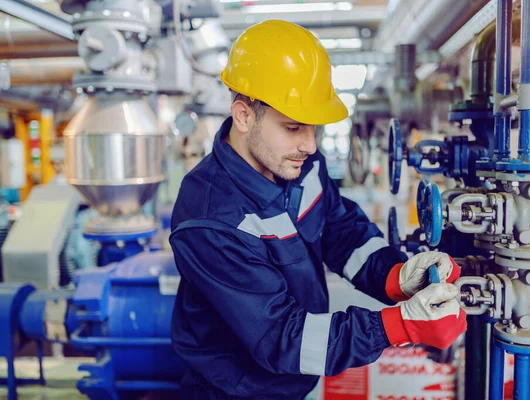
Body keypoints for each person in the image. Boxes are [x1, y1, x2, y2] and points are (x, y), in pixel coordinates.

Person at [169, 19, 467, 400]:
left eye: (314, 128)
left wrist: (393, 275)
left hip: (293, 381)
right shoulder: (211, 220)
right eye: (293, 127)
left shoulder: (295, 161)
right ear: (244, 115)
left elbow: (338, 229)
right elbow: (282, 338)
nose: (310, 144)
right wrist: (399, 324)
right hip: (236, 391)